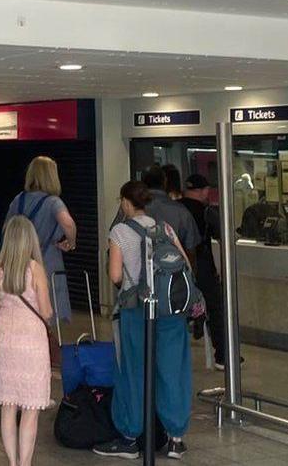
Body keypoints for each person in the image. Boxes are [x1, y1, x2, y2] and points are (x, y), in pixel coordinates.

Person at [93, 181, 192, 461]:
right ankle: (175, 439)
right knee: (172, 371)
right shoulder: (164, 228)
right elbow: (184, 263)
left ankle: (129, 437)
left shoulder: (120, 231)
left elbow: (115, 276)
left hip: (137, 311)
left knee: (132, 371)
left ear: (125, 202)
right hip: (170, 312)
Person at [0, 215, 53, 466]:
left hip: (4, 337)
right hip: (31, 340)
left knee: (8, 405)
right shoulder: (35, 268)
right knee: (30, 409)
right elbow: (46, 310)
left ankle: (13, 463)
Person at [5, 156, 76, 322]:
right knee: (47, 312)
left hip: (19, 263)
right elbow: (69, 224)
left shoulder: (18, 200)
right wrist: (71, 243)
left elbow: (7, 228)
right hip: (48, 262)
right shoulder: (53, 202)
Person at [179, 174, 226, 369]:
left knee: (178, 307)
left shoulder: (176, 207)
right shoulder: (206, 212)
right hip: (202, 265)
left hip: (177, 267)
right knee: (215, 307)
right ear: (204, 190)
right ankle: (222, 355)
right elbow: (222, 233)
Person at [142, 165, 201, 268]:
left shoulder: (133, 209)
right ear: (165, 182)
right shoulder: (180, 210)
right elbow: (191, 249)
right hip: (173, 274)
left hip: (139, 275)